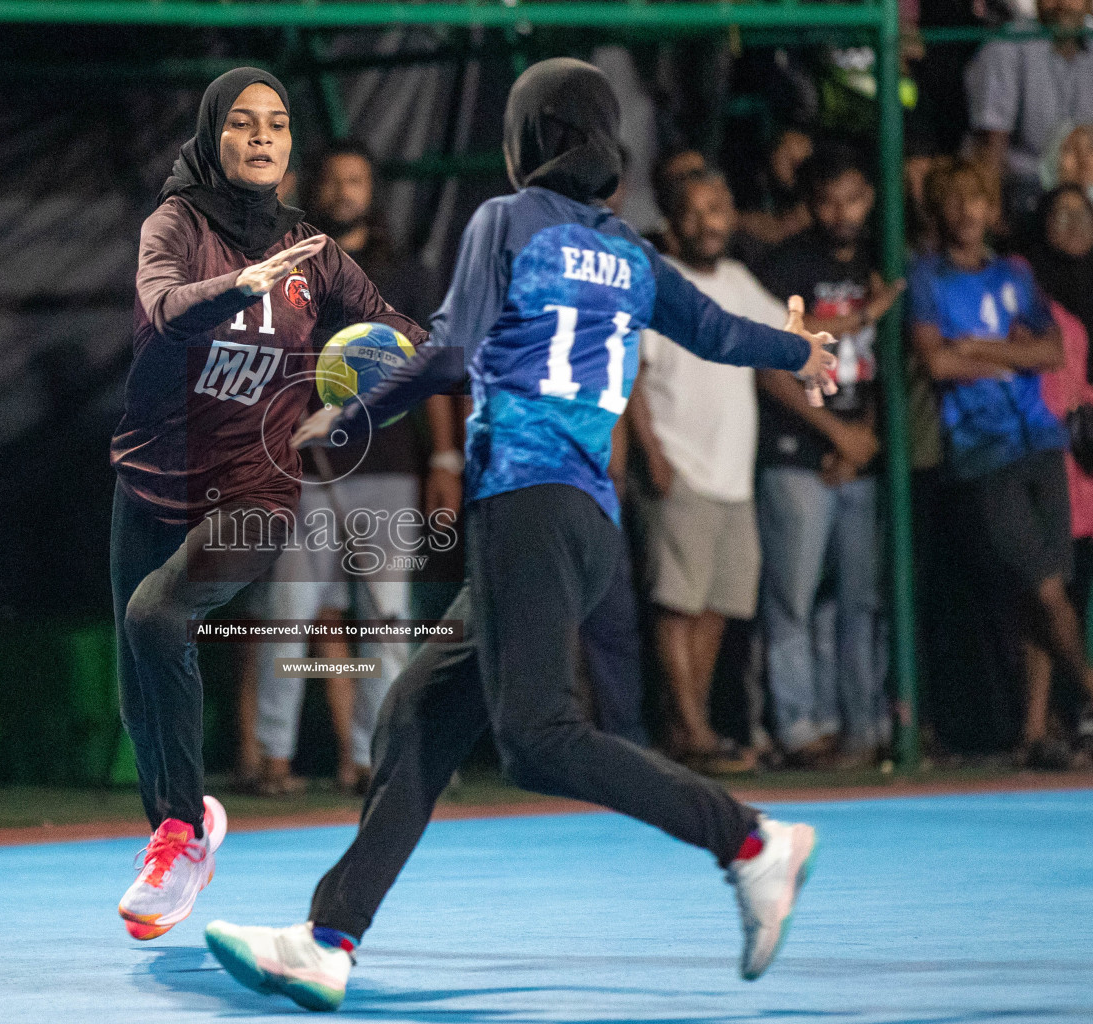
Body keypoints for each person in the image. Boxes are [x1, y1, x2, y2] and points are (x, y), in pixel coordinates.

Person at [204, 58, 835, 1012]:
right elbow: (714, 330)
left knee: (538, 738)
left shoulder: (505, 220)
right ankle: (328, 939)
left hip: (526, 505)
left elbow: (453, 350)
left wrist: (349, 414)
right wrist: (801, 347)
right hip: (587, 524)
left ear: (525, 141)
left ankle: (748, 840)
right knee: (420, 713)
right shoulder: (629, 252)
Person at [108, 68, 426, 940]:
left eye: (278, 124)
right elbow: (162, 306)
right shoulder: (174, 225)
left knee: (155, 614)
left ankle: (179, 836)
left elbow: (402, 331)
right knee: (138, 671)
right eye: (244, 123)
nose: (262, 136)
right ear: (214, 137)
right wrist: (235, 290)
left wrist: (453, 353)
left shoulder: (313, 251)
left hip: (256, 488)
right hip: (152, 477)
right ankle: (179, 829)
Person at [247, 140, 449, 797]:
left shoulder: (408, 273)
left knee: (386, 617)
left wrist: (444, 455)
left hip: (388, 467)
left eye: (356, 180)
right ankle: (274, 757)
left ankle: (371, 755)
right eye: (333, 181)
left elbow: (436, 372)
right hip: (306, 469)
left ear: (373, 190)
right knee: (292, 613)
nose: (344, 192)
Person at [909, 159, 1093, 770]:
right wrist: (1009, 355)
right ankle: (1088, 688)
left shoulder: (1015, 274)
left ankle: (1035, 730)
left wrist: (985, 350)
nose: (968, 213)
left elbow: (1051, 350)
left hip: (1039, 439)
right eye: (956, 202)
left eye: (977, 201)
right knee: (1041, 584)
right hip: (984, 449)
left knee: (1046, 589)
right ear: (940, 211)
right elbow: (937, 364)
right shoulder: (929, 279)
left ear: (992, 209)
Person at [626, 167, 788, 773]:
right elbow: (633, 379)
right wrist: (654, 455)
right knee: (678, 604)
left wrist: (860, 315)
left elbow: (786, 332)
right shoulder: (658, 285)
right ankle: (692, 728)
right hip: (683, 467)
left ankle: (688, 724)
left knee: (718, 604)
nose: (709, 222)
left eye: (718, 207)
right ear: (672, 223)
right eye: (694, 211)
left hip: (734, 475)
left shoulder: (741, 283)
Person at [751, 144, 904, 766]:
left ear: (870, 200)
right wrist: (837, 436)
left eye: (854, 198)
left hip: (859, 453)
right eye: (829, 200)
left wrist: (862, 436)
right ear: (811, 205)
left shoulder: (880, 258)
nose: (843, 212)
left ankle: (863, 727)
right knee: (795, 597)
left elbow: (882, 367)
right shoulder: (786, 265)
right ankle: (800, 728)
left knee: (860, 600)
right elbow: (772, 358)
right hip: (797, 454)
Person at [1026, 184, 1093, 762]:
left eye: (1083, 214)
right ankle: (1042, 720)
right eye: (1060, 214)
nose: (1073, 226)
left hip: (1088, 461)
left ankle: (1073, 720)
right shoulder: (1026, 280)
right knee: (1049, 587)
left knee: (1075, 589)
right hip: (1044, 455)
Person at [966, 0, 1093, 228]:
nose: (1063, 3)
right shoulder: (1007, 44)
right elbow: (991, 143)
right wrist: (993, 212)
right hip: (1026, 193)